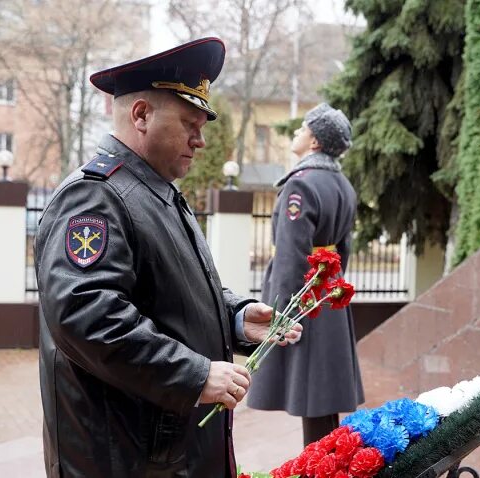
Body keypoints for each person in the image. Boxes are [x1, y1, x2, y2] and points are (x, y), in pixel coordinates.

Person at [34, 37, 301, 478]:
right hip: (126, 458)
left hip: (166, 452)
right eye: (189, 123)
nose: (200, 140)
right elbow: (86, 315)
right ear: (141, 115)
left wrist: (234, 316)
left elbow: (166, 291)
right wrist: (194, 375)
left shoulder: (153, 191)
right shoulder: (94, 198)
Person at [246, 103, 364, 447]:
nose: (296, 133)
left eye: (302, 129)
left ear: (314, 142)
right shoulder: (343, 184)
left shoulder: (301, 186)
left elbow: (291, 258)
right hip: (328, 293)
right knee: (323, 398)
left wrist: (278, 313)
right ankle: (328, 462)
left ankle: (320, 467)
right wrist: (332, 287)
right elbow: (344, 252)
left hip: (305, 300)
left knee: (314, 395)